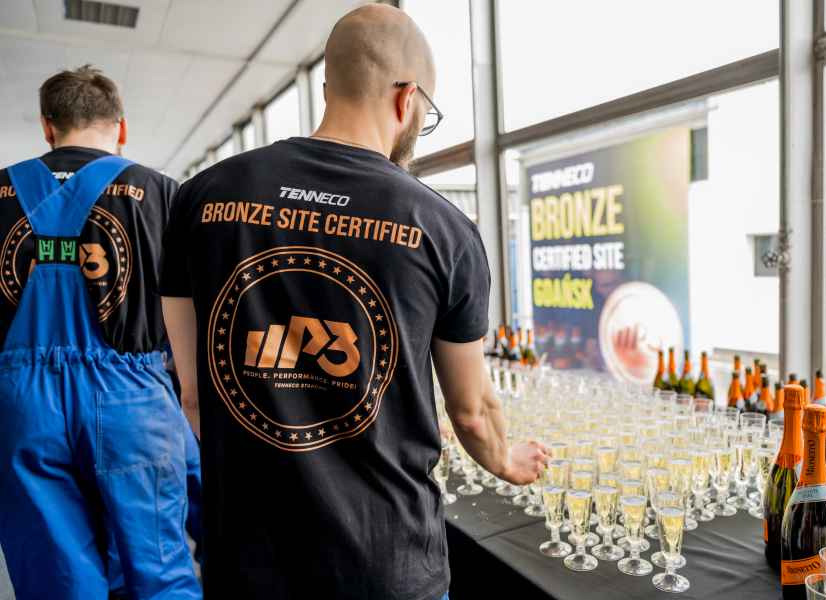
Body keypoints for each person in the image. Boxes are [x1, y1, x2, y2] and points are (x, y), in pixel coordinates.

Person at [159, 4, 549, 599]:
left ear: (327, 88)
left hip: (248, 560)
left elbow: (194, 394)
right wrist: (505, 460)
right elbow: (471, 411)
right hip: (386, 563)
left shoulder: (201, 198)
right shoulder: (441, 228)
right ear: (407, 99)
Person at [0, 65, 202, 599]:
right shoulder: (163, 194)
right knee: (158, 570)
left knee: (58, 578)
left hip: (21, 405)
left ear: (48, 127)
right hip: (132, 400)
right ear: (122, 127)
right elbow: (192, 312)